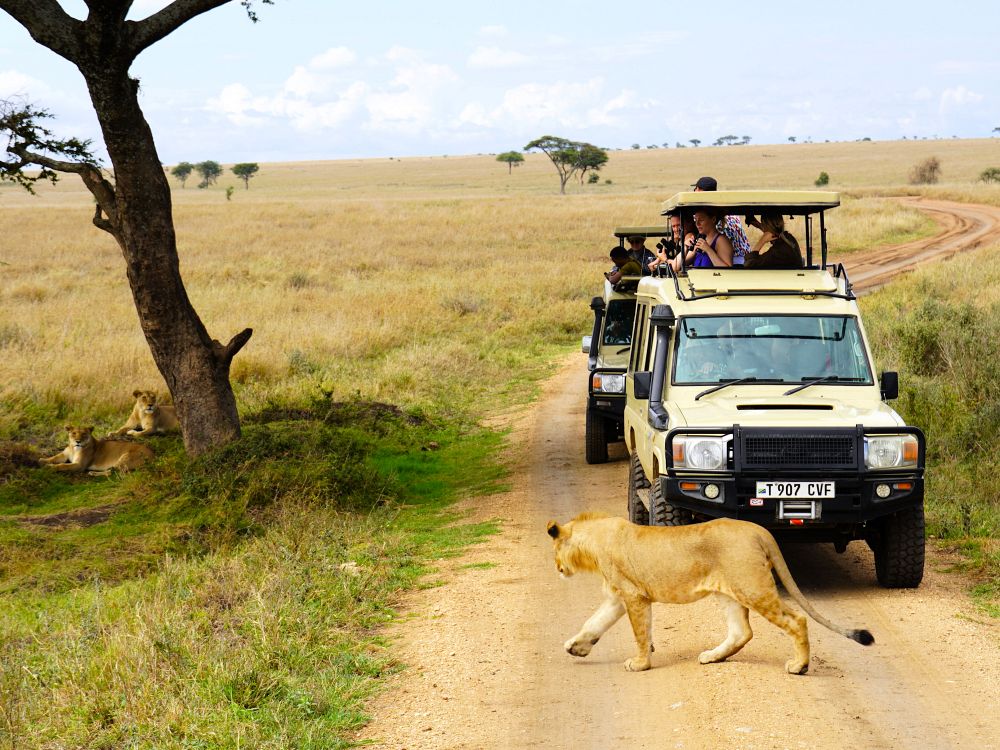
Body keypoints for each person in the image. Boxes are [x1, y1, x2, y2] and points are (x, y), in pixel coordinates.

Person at [692, 176, 752, 265]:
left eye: (695, 189)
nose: (697, 223)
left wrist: (708, 249)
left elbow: (720, 247)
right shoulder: (731, 215)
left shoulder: (720, 229)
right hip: (744, 257)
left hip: (735, 261)